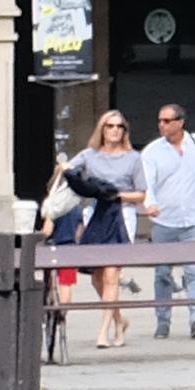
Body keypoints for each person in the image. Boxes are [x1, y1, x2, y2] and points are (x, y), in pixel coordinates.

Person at [51, 107, 141, 350]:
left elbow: (142, 194)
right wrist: (64, 170)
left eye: (119, 126)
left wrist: (117, 194)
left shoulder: (133, 158)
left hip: (121, 214)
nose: (114, 130)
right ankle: (119, 321)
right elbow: (68, 170)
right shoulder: (89, 155)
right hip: (95, 215)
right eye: (109, 126)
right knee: (98, 278)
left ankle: (103, 333)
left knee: (112, 275)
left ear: (125, 131)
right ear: (101, 129)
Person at [135, 100, 195, 337]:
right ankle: (163, 321)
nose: (162, 125)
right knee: (162, 273)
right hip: (165, 221)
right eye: (160, 121)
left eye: (167, 121)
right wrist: (150, 203)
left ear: (180, 122)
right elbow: (147, 182)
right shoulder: (152, 151)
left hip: (193, 218)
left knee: (193, 269)